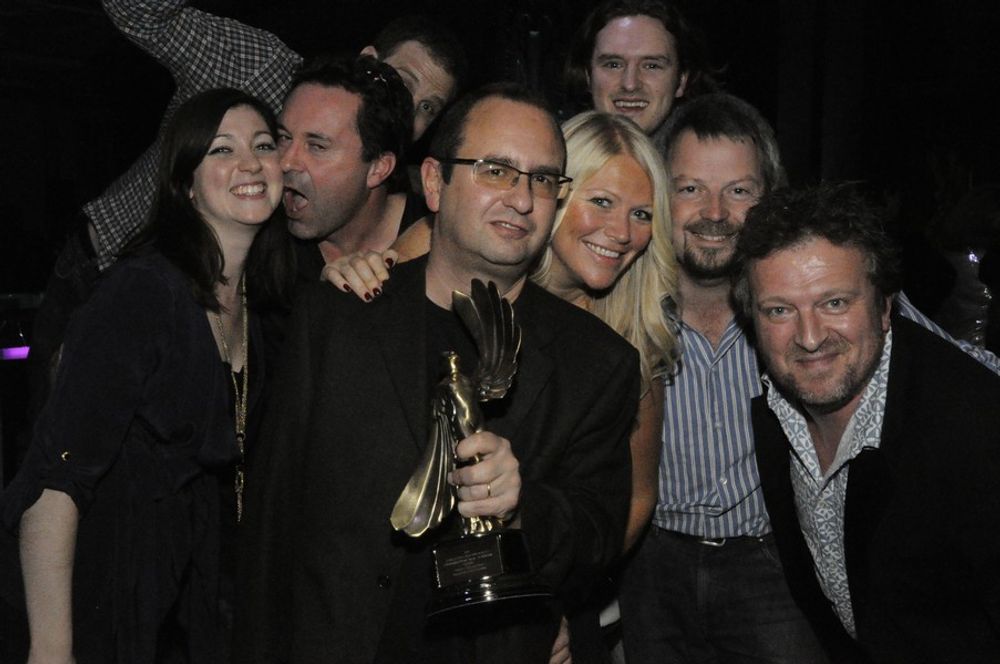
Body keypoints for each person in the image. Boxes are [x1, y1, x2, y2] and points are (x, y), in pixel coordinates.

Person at [235, 84, 639, 663]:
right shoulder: (336, 319)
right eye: (496, 170)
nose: (523, 199)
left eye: (543, 179)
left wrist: (522, 507)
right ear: (434, 182)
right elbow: (270, 528)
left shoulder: (597, 362)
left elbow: (596, 539)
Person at [618, 91, 1000, 664]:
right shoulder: (623, 300)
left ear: (769, 194)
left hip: (772, 559)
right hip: (653, 560)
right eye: (690, 188)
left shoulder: (835, 290)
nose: (714, 212)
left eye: (739, 190)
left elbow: (954, 368)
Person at [27, 0, 467, 418]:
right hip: (107, 264)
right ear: (368, 58)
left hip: (204, 316)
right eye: (403, 81)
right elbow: (137, 12)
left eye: (428, 108)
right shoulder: (259, 69)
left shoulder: (381, 195)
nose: (408, 112)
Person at [1, 88, 290, 663]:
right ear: (186, 184)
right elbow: (54, 482)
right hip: (83, 594)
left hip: (171, 597)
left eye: (263, 146)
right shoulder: (141, 294)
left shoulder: (259, 307)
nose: (251, 163)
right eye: (222, 149)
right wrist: (52, 650)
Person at [733, 183, 1000, 663]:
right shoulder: (774, 412)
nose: (809, 337)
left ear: (884, 307)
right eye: (780, 310)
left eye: (834, 303)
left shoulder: (977, 431)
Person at [562, 0, 716, 145]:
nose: (630, 84)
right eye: (613, 65)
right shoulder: (555, 156)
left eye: (651, 66)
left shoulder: (712, 158)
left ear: (681, 81)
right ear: (588, 76)